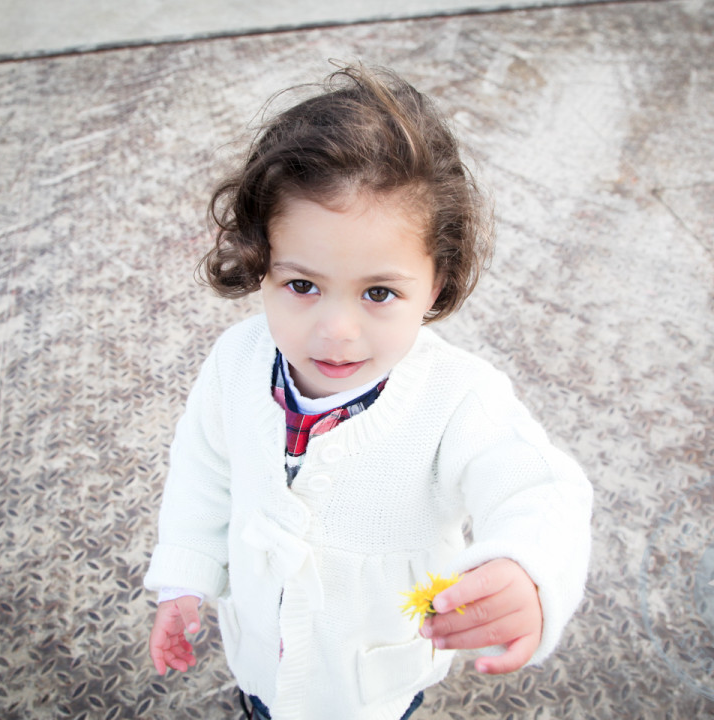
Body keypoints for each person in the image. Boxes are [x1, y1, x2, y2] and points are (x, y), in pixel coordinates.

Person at [144, 63, 592, 720]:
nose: (336, 331)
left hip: (371, 683)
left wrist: (530, 568)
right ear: (260, 261)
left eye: (379, 293)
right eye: (302, 285)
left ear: (436, 284)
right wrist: (185, 573)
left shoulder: (457, 397)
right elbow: (204, 472)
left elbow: (540, 489)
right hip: (261, 653)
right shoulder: (236, 362)